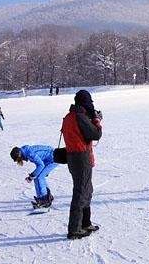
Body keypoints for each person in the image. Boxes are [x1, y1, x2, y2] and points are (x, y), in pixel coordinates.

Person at [61, 90, 102, 240]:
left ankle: (85, 222)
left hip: (72, 156)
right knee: (80, 192)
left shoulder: (69, 117)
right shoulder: (80, 117)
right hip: (81, 157)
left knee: (86, 190)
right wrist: (96, 120)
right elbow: (95, 134)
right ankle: (75, 228)